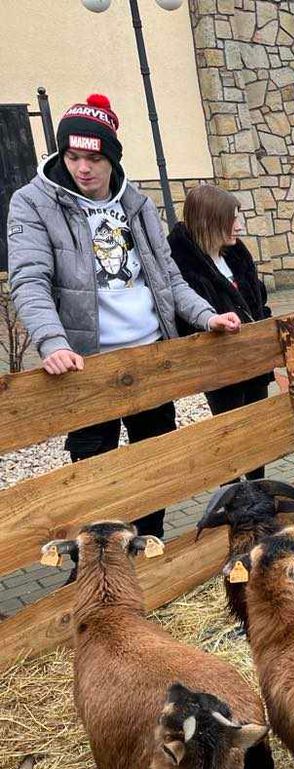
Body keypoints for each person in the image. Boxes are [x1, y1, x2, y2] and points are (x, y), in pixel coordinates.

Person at [7, 93, 241, 537]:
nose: (83, 168)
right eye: (73, 156)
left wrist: (206, 315)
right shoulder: (33, 204)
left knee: (152, 462)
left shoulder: (136, 204)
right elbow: (30, 281)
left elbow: (168, 278)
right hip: (85, 366)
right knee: (94, 469)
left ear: (110, 156)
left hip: (149, 358)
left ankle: (147, 545)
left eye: (93, 157)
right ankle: (98, 563)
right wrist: (53, 343)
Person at [168, 183, 285, 480]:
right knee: (230, 435)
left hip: (255, 361)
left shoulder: (236, 256)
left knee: (255, 432)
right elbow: (187, 318)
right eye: (232, 218)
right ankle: (234, 499)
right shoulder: (185, 265)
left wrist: (267, 333)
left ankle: (258, 491)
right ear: (211, 221)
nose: (239, 226)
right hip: (221, 368)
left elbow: (257, 303)